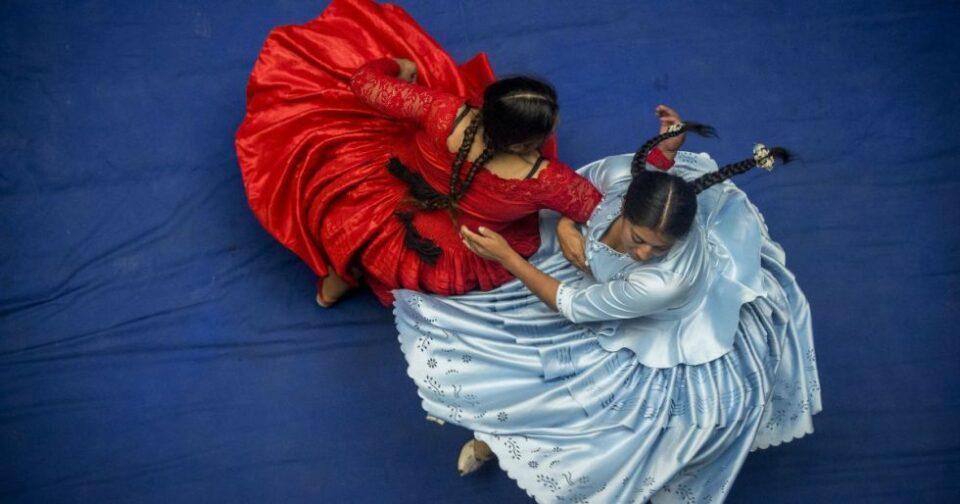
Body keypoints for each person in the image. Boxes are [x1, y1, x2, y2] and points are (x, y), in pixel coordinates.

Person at [394, 120, 821, 502]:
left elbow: (572, 306)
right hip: (594, 281)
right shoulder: (621, 177)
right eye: (639, 238)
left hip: (645, 325)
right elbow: (580, 191)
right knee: (514, 358)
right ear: (625, 207)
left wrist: (509, 258)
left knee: (585, 414)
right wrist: (565, 224)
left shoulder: (663, 280)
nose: (643, 253)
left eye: (660, 247)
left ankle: (495, 440)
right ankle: (491, 434)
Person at [236, 0, 678, 306]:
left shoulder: (441, 111)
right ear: (525, 143)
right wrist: (662, 154)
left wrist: (398, 67)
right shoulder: (546, 180)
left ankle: (331, 288)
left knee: (352, 238)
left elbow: (365, 85)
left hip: (381, 210)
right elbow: (613, 212)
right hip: (448, 251)